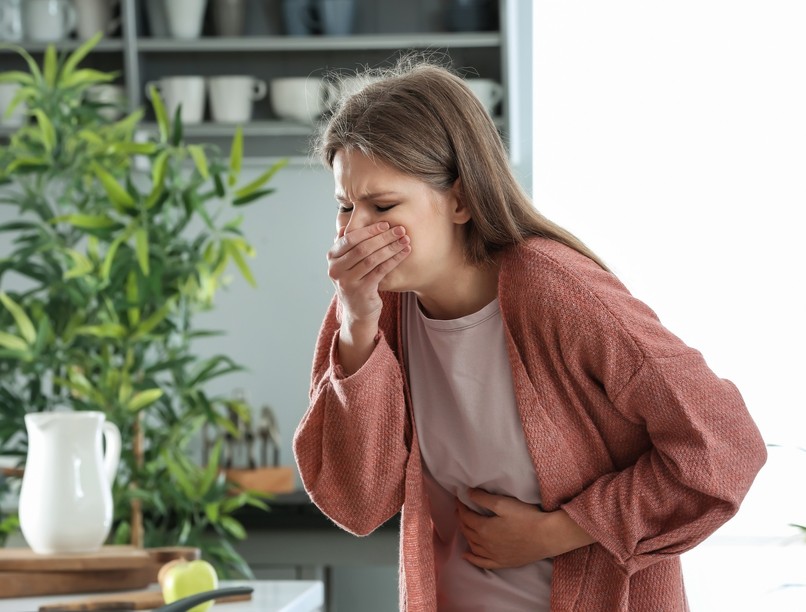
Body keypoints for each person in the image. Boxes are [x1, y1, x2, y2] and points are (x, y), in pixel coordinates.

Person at [292, 59, 767, 611]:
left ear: (461, 200)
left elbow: (725, 444)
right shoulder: (374, 311)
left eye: (382, 206)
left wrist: (561, 530)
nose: (352, 233)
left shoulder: (557, 292)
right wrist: (356, 329)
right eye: (345, 206)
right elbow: (357, 503)